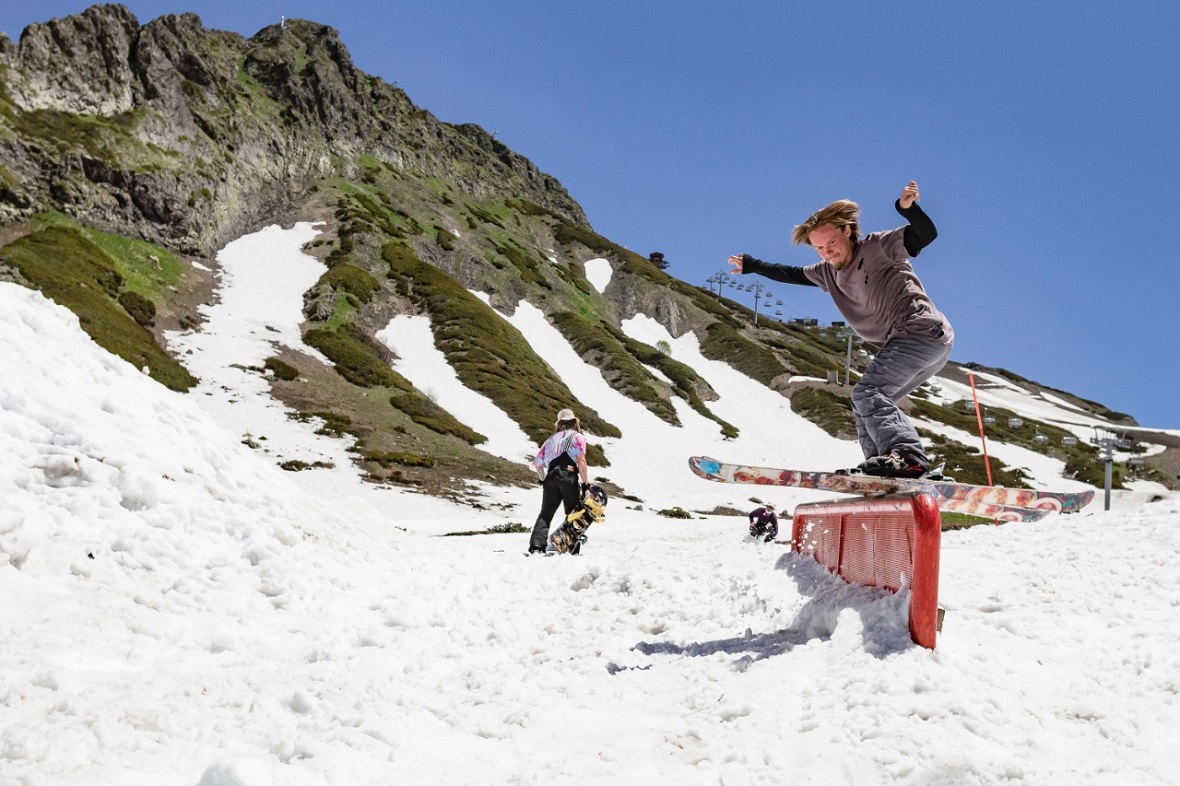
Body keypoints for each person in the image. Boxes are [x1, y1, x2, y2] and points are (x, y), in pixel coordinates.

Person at [728, 181, 953, 478]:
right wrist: (754, 265)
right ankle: (884, 466)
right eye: (819, 248)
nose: (826, 252)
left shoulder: (878, 247)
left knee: (868, 392)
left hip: (920, 331)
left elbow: (926, 234)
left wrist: (907, 209)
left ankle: (907, 457)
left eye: (831, 243)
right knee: (865, 403)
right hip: (922, 345)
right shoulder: (826, 273)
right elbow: (791, 274)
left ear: (847, 231)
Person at [528, 408, 590, 554]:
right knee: (573, 513)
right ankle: (571, 547)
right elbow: (581, 461)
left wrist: (543, 478)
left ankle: (536, 546)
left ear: (560, 423)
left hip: (550, 477)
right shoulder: (577, 437)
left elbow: (537, 463)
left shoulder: (550, 440)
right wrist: (586, 485)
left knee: (546, 513)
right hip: (568, 475)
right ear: (574, 422)